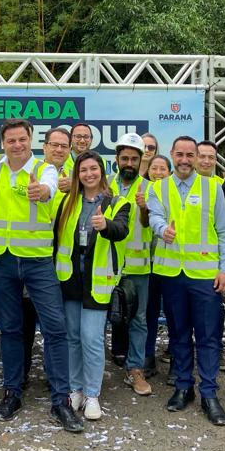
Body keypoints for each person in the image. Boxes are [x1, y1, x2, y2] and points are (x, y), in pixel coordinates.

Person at [0, 118, 83, 432]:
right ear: (3, 143)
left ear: (31, 141)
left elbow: (49, 188)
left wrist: (43, 191)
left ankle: (61, 400)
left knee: (55, 328)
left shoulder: (44, 169)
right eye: (11, 140)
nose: (16, 145)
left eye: (22, 139)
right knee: (11, 328)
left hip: (37, 262)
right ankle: (12, 392)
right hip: (2, 260)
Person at [148, 136, 225, 427]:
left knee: (208, 337)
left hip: (205, 276)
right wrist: (162, 230)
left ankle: (209, 392)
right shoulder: (158, 187)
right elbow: (155, 217)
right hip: (172, 274)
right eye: (179, 154)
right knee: (178, 334)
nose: (184, 160)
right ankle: (183, 386)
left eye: (189, 155)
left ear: (196, 157)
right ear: (171, 155)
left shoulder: (213, 187)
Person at [55, 151, 130, 420]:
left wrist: (105, 225)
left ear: (102, 171)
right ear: (77, 174)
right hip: (70, 279)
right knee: (73, 337)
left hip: (98, 282)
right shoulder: (67, 201)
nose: (89, 174)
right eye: (83, 170)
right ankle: (75, 389)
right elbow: (56, 238)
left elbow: (122, 230)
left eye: (93, 169)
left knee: (92, 338)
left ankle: (92, 394)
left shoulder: (118, 202)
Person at [107, 133, 152, 396]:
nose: (129, 163)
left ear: (140, 160)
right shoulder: (104, 184)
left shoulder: (151, 188)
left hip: (137, 266)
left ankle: (135, 368)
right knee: (98, 318)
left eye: (134, 159)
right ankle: (93, 369)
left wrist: (145, 208)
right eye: (125, 158)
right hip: (105, 265)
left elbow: (150, 225)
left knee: (138, 320)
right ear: (117, 159)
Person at [143, 153, 172, 376]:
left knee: (174, 313)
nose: (158, 173)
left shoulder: (175, 193)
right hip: (148, 265)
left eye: (163, 169)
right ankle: (148, 356)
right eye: (155, 168)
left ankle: (175, 355)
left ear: (169, 172)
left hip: (171, 264)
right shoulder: (141, 193)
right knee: (149, 313)